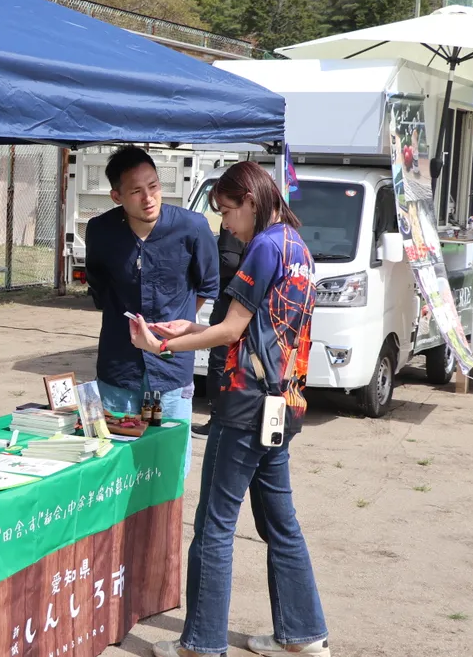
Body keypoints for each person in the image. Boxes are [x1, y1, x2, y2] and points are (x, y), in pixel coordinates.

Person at [142, 162, 329, 657]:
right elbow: (250, 323)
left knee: (214, 525)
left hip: (244, 402)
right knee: (280, 523)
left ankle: (202, 643)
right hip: (283, 401)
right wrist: (184, 329)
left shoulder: (265, 246)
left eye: (227, 210)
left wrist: (162, 348)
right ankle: (303, 634)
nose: (225, 223)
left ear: (250, 199)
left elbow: (229, 331)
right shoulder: (296, 245)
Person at [84, 146, 218, 432]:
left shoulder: (192, 227)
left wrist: (174, 325)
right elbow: (99, 287)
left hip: (170, 364)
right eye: (136, 192)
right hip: (119, 365)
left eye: (154, 186)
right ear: (117, 196)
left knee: (168, 459)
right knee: (117, 456)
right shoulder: (101, 231)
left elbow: (208, 285)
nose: (148, 198)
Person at [191, 225, 245, 441]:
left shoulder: (233, 225)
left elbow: (227, 262)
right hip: (246, 303)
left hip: (229, 302)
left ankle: (217, 420)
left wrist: (203, 262)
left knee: (220, 362)